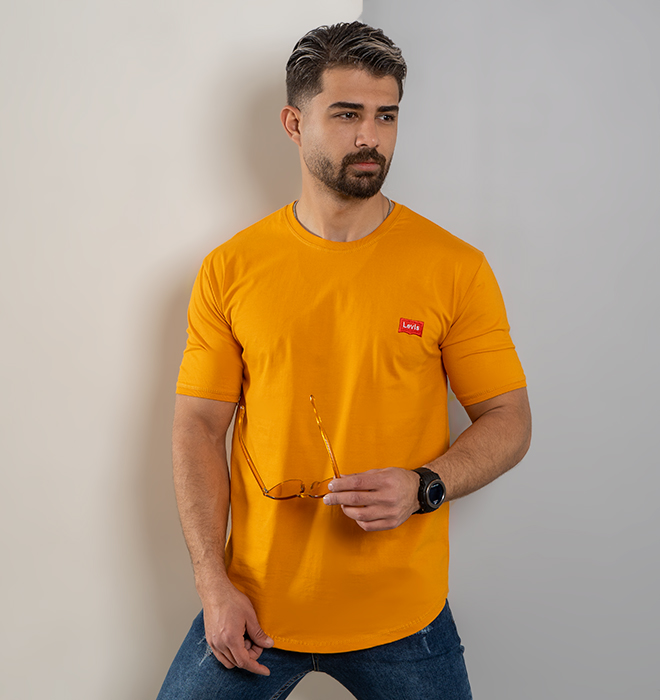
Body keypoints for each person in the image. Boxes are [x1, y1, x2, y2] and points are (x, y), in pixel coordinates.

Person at [157, 21, 531, 700]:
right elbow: (199, 428)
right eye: (347, 114)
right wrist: (214, 588)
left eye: (387, 116)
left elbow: (509, 418)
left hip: (404, 620)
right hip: (253, 611)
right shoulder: (230, 269)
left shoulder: (455, 268)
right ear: (294, 124)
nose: (371, 137)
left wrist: (424, 485)